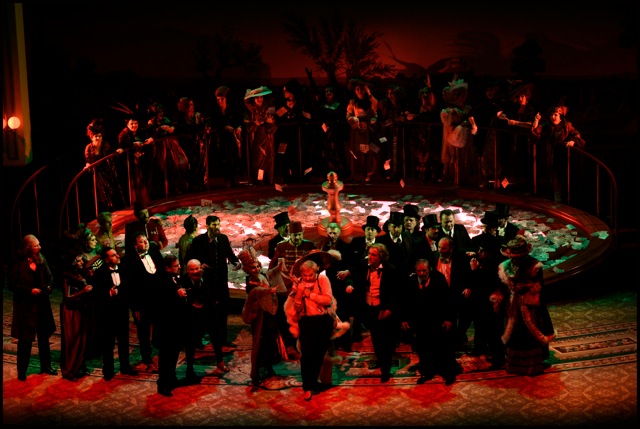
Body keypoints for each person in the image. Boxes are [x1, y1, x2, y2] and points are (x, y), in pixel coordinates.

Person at [498, 235, 556, 376]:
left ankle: (532, 365)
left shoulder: (534, 266)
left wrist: (523, 288)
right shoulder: (505, 266)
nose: (514, 259)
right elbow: (503, 286)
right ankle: (515, 365)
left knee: (530, 333)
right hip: (512, 304)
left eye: (517, 256)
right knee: (514, 333)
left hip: (530, 306)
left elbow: (538, 287)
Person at [186, 214, 242, 348]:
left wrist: (236, 262)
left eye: (218, 224)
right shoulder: (199, 241)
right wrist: (200, 265)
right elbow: (188, 258)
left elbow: (229, 254)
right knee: (205, 311)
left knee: (223, 310)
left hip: (221, 281)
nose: (216, 227)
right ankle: (198, 340)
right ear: (207, 226)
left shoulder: (223, 239)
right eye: (213, 225)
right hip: (207, 282)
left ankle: (223, 338)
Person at [401, 259, 458, 385]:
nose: (422, 273)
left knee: (442, 348)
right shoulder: (411, 281)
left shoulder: (439, 279)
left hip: (438, 320)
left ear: (429, 270)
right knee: (423, 348)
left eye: (424, 271)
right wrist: (404, 319)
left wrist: (449, 319)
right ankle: (426, 372)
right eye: (419, 271)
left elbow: (448, 300)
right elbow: (405, 301)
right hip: (420, 322)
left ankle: (447, 373)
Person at [9, 234, 58, 381]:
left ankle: (46, 366)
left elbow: (50, 277)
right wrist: (29, 291)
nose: (40, 247)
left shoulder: (41, 259)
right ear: (28, 248)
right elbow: (11, 285)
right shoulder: (18, 263)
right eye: (36, 246)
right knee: (25, 341)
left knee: (44, 338)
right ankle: (22, 371)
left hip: (42, 305)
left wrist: (48, 287)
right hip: (26, 307)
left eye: (39, 245)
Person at [286, 257, 336, 401]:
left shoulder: (322, 279)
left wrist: (309, 294)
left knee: (319, 354)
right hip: (307, 321)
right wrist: (299, 293)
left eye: (310, 275)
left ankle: (313, 382)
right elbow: (297, 308)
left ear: (316, 272)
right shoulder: (299, 283)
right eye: (305, 275)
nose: (307, 278)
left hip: (323, 320)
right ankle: (307, 386)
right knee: (307, 355)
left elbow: (328, 300)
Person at [349, 243, 400, 383]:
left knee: (385, 341)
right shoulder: (363, 265)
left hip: (383, 309)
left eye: (373, 255)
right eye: (369, 254)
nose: (369, 257)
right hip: (369, 308)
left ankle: (386, 370)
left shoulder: (390, 270)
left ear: (381, 257)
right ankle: (380, 360)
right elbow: (351, 273)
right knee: (376, 340)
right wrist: (348, 281)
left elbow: (395, 293)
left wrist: (389, 309)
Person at [268, 220, 317, 360]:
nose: (297, 238)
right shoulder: (281, 246)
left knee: (306, 316)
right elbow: (273, 265)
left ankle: (306, 344)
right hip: (286, 287)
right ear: (290, 234)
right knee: (286, 317)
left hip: (304, 286)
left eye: (299, 235)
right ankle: (289, 345)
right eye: (295, 235)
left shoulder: (309, 245)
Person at [155, 255, 201, 397]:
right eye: (176, 266)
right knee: (166, 356)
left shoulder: (175, 279)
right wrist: (177, 295)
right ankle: (163, 384)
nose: (179, 267)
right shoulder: (162, 281)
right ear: (167, 268)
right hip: (166, 327)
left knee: (173, 354)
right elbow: (161, 303)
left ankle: (171, 378)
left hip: (176, 325)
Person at [93, 246, 139, 381]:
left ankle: (125, 367)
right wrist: (108, 293)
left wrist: (134, 308)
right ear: (106, 260)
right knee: (108, 343)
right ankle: (108, 370)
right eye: (113, 255)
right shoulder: (100, 273)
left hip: (122, 311)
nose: (118, 256)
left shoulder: (124, 269)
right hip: (107, 313)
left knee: (124, 341)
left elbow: (130, 289)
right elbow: (96, 294)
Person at [238, 248, 281, 388]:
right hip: (259, 317)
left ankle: (268, 368)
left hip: (269, 315)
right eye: (252, 267)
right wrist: (269, 290)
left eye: (257, 266)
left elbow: (270, 274)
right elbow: (256, 293)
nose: (256, 269)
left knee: (270, 341)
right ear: (247, 269)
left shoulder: (262, 275)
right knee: (260, 343)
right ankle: (257, 373)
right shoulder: (251, 281)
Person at [121, 232, 164, 372]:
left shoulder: (154, 251)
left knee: (160, 326)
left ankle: (160, 351)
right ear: (135, 245)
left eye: (146, 240)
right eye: (141, 241)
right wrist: (135, 307)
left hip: (157, 300)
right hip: (142, 303)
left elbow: (162, 272)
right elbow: (129, 286)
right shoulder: (128, 260)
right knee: (143, 331)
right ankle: (146, 358)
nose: (145, 243)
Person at [182, 259, 231, 376]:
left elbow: (215, 292)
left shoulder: (209, 276)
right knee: (190, 341)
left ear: (201, 268)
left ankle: (220, 361)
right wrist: (192, 303)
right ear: (187, 270)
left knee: (216, 337)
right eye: (192, 269)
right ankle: (189, 368)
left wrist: (205, 303)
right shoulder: (183, 280)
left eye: (197, 268)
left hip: (209, 311)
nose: (195, 271)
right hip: (192, 315)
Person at [531, 105, 586, 203]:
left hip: (562, 153)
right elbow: (536, 131)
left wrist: (573, 141)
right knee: (552, 174)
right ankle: (555, 197)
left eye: (555, 115)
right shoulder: (547, 125)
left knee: (562, 174)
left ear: (560, 115)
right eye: (551, 115)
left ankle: (565, 198)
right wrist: (536, 120)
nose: (553, 117)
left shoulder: (567, 125)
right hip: (550, 152)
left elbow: (576, 134)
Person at [428, 236, 472, 351]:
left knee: (458, 316)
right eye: (439, 247)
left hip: (454, 292)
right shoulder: (432, 257)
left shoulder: (460, 259)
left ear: (451, 248)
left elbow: (468, 275)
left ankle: (457, 338)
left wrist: (468, 287)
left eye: (444, 248)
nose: (440, 251)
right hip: (437, 294)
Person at [59, 252, 94, 381]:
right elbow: (67, 297)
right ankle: (70, 370)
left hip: (81, 308)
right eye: (79, 261)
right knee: (72, 340)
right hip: (71, 311)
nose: (82, 262)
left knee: (82, 338)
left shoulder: (80, 273)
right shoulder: (67, 276)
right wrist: (83, 291)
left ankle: (79, 366)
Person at [321, 222, 355, 352]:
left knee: (343, 313)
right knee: (330, 314)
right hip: (328, 285)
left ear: (339, 232)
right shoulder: (324, 247)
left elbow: (351, 265)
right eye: (330, 233)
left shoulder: (347, 247)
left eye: (334, 232)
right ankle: (333, 343)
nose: (332, 235)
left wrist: (348, 278)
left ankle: (345, 343)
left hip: (342, 284)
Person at [440, 77, 478, 185]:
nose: (460, 97)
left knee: (463, 157)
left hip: (464, 138)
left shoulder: (467, 108)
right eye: (457, 95)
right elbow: (448, 122)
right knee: (453, 156)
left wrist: (471, 125)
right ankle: (452, 177)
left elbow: (470, 119)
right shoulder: (449, 111)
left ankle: (463, 178)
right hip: (452, 137)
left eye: (462, 95)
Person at [83, 119, 126, 212]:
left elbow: (111, 155)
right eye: (96, 136)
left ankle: (116, 210)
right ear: (92, 137)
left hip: (108, 172)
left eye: (100, 136)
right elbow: (88, 161)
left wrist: (118, 151)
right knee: (102, 195)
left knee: (113, 192)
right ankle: (107, 211)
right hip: (98, 175)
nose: (98, 138)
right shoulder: (88, 148)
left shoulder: (105, 145)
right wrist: (87, 165)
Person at [345, 79, 378, 182]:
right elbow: (348, 115)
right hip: (361, 133)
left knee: (374, 151)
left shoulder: (370, 101)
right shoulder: (353, 102)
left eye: (361, 89)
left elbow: (376, 109)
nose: (359, 91)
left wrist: (374, 119)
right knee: (363, 153)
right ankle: (363, 174)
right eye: (357, 89)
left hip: (371, 131)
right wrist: (354, 120)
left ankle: (374, 173)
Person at [117, 113, 154, 204]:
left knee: (142, 180)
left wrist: (151, 139)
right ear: (127, 124)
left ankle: (144, 200)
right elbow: (123, 146)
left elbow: (150, 133)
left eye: (136, 123)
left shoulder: (139, 131)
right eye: (132, 124)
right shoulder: (123, 134)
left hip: (140, 160)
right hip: (129, 162)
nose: (134, 125)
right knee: (133, 182)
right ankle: (134, 202)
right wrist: (133, 148)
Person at [244, 85, 277, 186]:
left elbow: (274, 122)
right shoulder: (249, 110)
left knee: (269, 158)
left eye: (261, 97)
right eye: (257, 97)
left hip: (268, 139)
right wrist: (257, 123)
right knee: (259, 161)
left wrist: (269, 122)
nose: (259, 99)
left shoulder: (270, 108)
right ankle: (259, 179)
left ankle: (269, 179)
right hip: (257, 140)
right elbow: (247, 126)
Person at [211, 86, 244, 188]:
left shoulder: (231, 110)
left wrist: (238, 127)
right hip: (221, 138)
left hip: (232, 138)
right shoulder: (216, 111)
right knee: (224, 159)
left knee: (233, 157)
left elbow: (238, 120)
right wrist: (224, 127)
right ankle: (227, 179)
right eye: (218, 99)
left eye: (222, 99)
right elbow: (214, 124)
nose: (220, 101)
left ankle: (233, 178)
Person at [175, 96, 206, 191]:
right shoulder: (181, 118)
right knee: (187, 165)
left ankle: (199, 184)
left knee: (198, 164)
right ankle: (189, 185)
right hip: (185, 145)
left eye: (192, 105)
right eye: (189, 105)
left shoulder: (197, 116)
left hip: (196, 144)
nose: (191, 107)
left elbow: (202, 127)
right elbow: (179, 130)